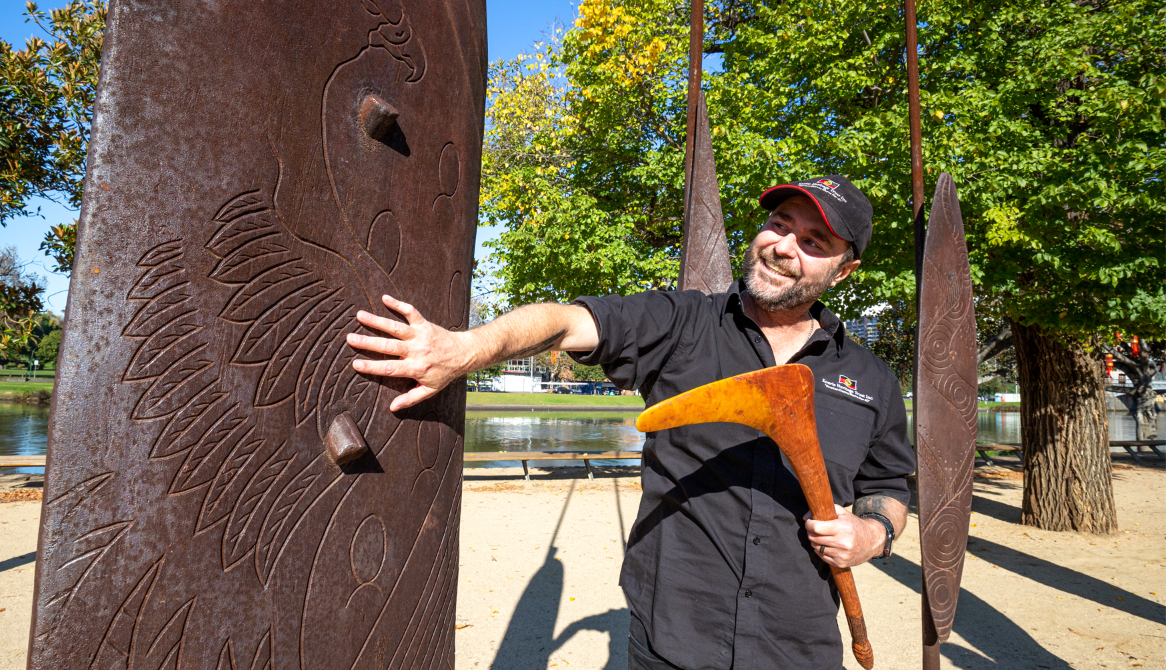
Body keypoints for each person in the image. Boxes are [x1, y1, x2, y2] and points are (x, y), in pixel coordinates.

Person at [346, 175, 915, 670]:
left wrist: (872, 533)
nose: (784, 245)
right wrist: (466, 349)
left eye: (814, 241)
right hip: (671, 640)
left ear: (844, 271)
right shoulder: (682, 324)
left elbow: (889, 488)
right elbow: (567, 322)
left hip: (800, 648)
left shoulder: (871, 380)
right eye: (779, 223)